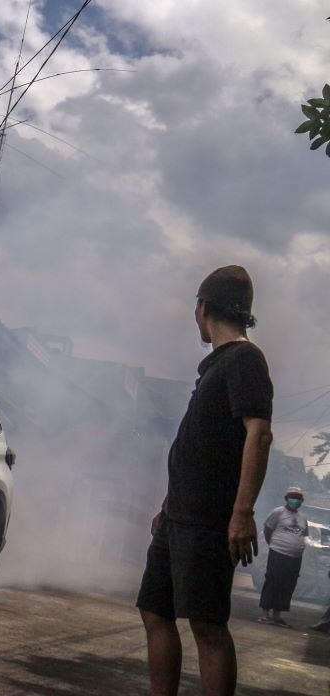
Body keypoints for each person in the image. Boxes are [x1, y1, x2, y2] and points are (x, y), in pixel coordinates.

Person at [136, 265, 274, 696]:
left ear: (203, 308)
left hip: (209, 521)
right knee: (155, 611)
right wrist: (167, 506)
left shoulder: (245, 359)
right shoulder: (217, 365)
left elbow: (259, 433)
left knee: (207, 626)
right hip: (178, 516)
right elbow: (203, 447)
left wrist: (242, 512)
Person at [258, 487, 309, 627]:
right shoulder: (278, 512)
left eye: (299, 498)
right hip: (278, 552)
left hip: (295, 557)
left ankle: (277, 615)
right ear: (287, 498)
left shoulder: (303, 518)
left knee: (287, 585)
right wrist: (274, 544)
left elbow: (304, 535)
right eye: (293, 497)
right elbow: (267, 530)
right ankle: (264, 614)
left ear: (302, 501)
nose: (296, 500)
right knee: (273, 581)